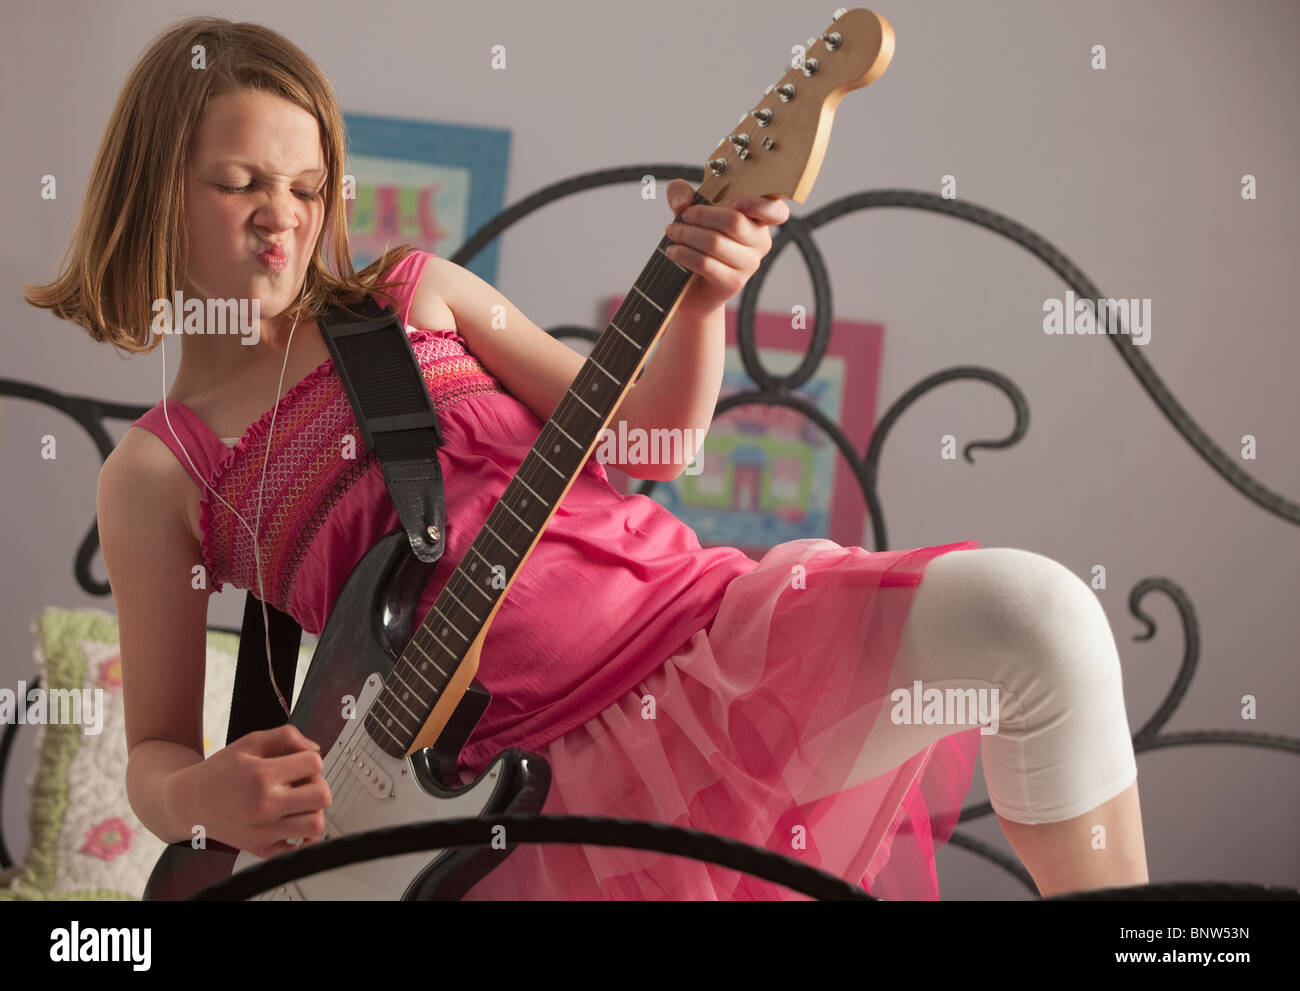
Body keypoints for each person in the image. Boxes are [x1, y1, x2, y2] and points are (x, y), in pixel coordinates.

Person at [25, 16, 1148, 900]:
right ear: (152, 188)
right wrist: (200, 793)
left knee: (1033, 618)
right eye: (239, 185)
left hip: (708, 657)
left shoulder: (413, 298)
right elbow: (158, 753)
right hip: (500, 813)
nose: (283, 219)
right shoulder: (157, 474)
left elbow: (647, 439)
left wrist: (705, 298)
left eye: (308, 188)